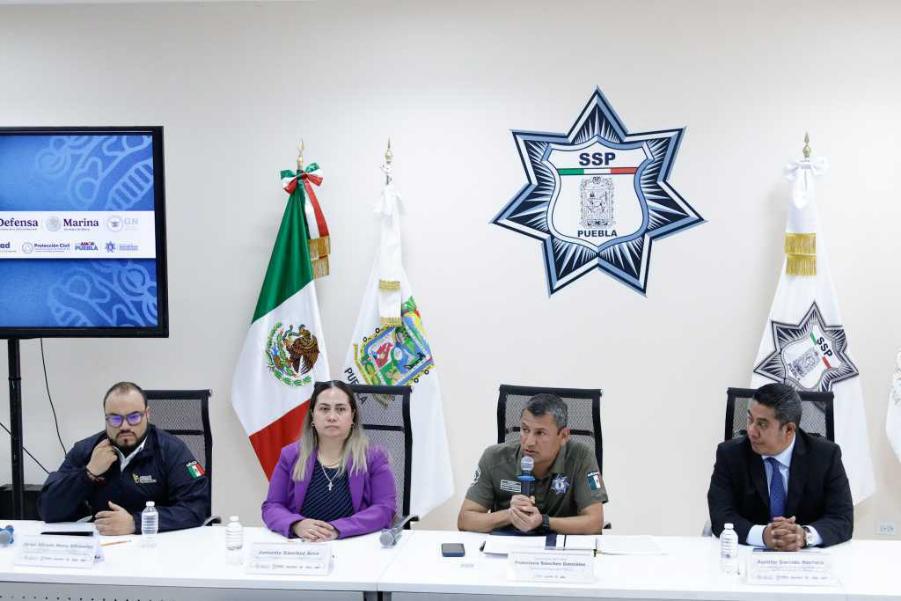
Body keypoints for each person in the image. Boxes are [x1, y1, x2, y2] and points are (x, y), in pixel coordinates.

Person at [39, 382, 209, 534]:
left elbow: (196, 508)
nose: (125, 426)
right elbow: (48, 510)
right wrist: (88, 473)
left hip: (156, 544)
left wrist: (136, 523)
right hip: (103, 545)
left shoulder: (172, 450)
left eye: (134, 417)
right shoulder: (88, 450)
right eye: (115, 419)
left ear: (147, 414)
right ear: (106, 418)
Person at [707, 383, 853, 550]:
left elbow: (842, 519)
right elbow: (721, 516)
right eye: (750, 419)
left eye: (762, 424)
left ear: (789, 429)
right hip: (746, 555)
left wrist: (804, 535)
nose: (751, 431)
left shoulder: (826, 456)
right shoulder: (730, 455)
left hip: (807, 558)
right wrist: (763, 535)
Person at [262, 380, 396, 540]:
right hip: (305, 547)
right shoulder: (290, 456)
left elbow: (385, 509)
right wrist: (296, 525)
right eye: (324, 409)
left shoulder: (374, 457)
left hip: (353, 545)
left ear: (352, 416)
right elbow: (272, 507)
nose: (332, 417)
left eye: (341, 409)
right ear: (312, 415)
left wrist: (337, 529)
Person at [458, 393, 607, 535]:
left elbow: (595, 522)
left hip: (559, 548)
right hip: (508, 545)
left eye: (540, 433)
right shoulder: (494, 458)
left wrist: (543, 521)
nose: (529, 442)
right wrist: (511, 514)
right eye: (525, 430)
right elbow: (465, 520)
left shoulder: (582, 457)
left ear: (563, 436)